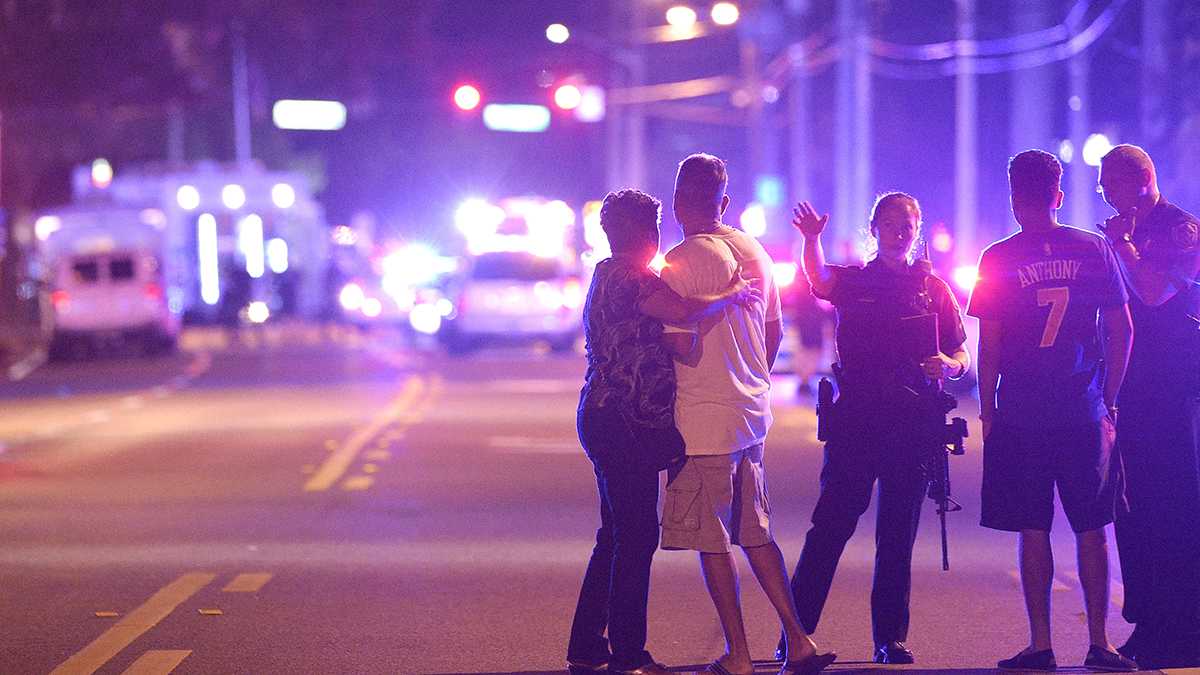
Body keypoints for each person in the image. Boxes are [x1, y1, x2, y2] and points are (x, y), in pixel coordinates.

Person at [567, 188, 759, 675]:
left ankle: (587, 644)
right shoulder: (631, 279)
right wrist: (731, 294)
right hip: (624, 423)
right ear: (643, 232)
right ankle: (629, 654)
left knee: (613, 534)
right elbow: (683, 310)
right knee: (635, 537)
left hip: (603, 416)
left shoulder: (604, 273)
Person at [657, 153, 835, 675]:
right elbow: (773, 333)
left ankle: (737, 654)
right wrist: (749, 368)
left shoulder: (681, 260)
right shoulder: (756, 252)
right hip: (751, 412)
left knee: (711, 541)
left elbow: (677, 344)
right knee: (757, 532)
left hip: (701, 418)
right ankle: (798, 640)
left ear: (676, 203)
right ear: (725, 202)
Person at [782, 192, 970, 665]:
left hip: (912, 425)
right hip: (858, 421)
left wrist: (946, 365)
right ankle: (794, 634)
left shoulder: (934, 289)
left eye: (908, 221)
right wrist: (811, 240)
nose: (899, 229)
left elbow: (961, 356)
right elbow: (819, 280)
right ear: (875, 228)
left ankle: (890, 639)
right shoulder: (856, 281)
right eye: (889, 221)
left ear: (918, 228)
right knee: (830, 527)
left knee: (896, 535)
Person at [968, 149, 1135, 671]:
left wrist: (987, 406)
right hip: (1082, 409)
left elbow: (988, 340)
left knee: (1032, 528)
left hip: (1021, 410)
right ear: (1059, 196)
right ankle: (1100, 644)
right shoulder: (1093, 248)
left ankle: (1040, 645)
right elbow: (1122, 329)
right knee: (1092, 527)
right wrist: (1107, 398)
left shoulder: (996, 258)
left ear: (1015, 200)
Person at [1097, 144, 1200, 669]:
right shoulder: (1122, 235)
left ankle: (1183, 627)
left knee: (1174, 509)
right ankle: (1148, 620)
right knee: (1132, 511)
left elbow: (1157, 294)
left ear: (1138, 181)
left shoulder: (1178, 229)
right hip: (1132, 389)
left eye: (1108, 185)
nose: (1105, 197)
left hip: (1174, 390)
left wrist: (1126, 250)